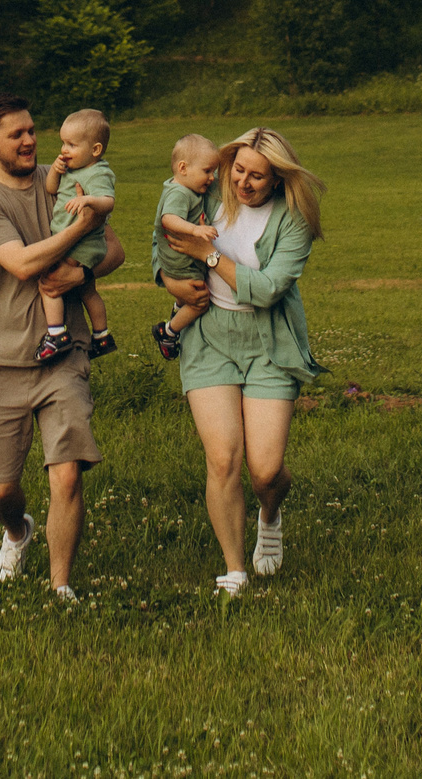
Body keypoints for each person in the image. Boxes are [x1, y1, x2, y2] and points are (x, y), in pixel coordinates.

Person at [0, 92, 126, 597]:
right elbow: (25, 266)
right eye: (17, 134)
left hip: (63, 353)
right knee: (0, 489)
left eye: (33, 130)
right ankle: (17, 529)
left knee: (67, 474)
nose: (31, 140)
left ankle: (60, 588)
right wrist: (81, 228)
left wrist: (82, 269)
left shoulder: (68, 174)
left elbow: (114, 248)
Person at [156, 125, 325, 597]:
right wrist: (169, 282)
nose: (243, 183)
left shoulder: (292, 221)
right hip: (209, 337)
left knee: (265, 470)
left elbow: (270, 289)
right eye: (239, 171)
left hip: (269, 342)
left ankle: (269, 514)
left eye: (258, 177)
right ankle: (234, 570)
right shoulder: (205, 198)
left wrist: (210, 257)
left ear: (277, 181)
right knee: (223, 458)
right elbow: (162, 239)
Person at [36, 108, 119, 363]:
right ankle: (102, 336)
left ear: (95, 150)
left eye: (71, 144)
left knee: (49, 284)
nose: (64, 150)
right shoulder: (72, 171)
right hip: (79, 242)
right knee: (87, 291)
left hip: (81, 243)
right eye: (63, 143)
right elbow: (51, 188)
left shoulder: (98, 172)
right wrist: (56, 171)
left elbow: (108, 202)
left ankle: (57, 334)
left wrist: (89, 201)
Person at [149, 133, 224, 360]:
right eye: (207, 171)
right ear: (183, 168)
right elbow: (168, 219)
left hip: (176, 260)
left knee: (191, 297)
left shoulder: (183, 187)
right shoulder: (179, 193)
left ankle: (178, 306)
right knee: (200, 301)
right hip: (180, 265)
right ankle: (169, 331)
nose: (212, 178)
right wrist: (195, 230)